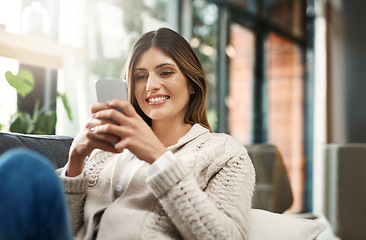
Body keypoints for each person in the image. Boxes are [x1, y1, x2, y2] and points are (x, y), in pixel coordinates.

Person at [62, 27, 255, 239]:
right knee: (25, 167)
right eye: (140, 76)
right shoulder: (105, 150)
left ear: (192, 83)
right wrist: (75, 161)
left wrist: (160, 159)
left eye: (166, 72)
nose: (151, 85)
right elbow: (63, 231)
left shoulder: (226, 153)